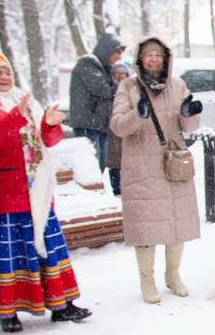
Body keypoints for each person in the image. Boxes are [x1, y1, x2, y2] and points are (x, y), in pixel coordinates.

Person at [0, 49, 90, 333]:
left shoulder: (24, 100)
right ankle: (7, 310)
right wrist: (13, 117)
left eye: (7, 71)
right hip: (2, 191)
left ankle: (62, 303)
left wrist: (48, 123)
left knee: (50, 248)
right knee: (9, 253)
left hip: (35, 191)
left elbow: (45, 141)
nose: (4, 77)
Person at [110, 36, 202, 303]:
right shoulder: (128, 87)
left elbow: (189, 126)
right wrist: (136, 115)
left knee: (176, 224)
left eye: (158, 55)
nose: (153, 59)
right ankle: (147, 280)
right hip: (141, 166)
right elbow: (118, 126)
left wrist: (189, 113)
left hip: (173, 164)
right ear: (140, 59)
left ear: (166, 60)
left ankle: (173, 275)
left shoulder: (178, 85)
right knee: (146, 227)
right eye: (148, 55)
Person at [68, 33, 124, 171]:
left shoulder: (102, 67)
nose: (118, 58)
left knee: (99, 167)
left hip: (99, 125)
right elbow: (102, 89)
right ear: (107, 50)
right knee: (89, 168)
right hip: (88, 125)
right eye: (117, 54)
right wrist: (121, 86)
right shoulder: (88, 63)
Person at [106, 61, 129, 195]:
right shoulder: (109, 90)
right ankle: (116, 188)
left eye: (123, 73)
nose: (120, 76)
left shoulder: (131, 89)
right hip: (112, 129)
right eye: (117, 73)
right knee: (115, 161)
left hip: (126, 127)